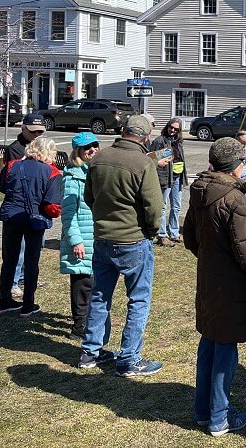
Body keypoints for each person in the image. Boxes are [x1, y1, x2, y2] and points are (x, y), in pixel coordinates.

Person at [185, 138, 246, 437]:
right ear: (235, 166)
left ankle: (202, 410)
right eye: (243, 161)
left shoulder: (200, 191)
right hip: (230, 283)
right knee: (224, 350)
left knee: (209, 342)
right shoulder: (233, 199)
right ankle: (219, 416)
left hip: (209, 278)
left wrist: (211, 260)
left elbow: (190, 237)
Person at [79, 115, 164, 377]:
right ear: (146, 137)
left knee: (99, 295)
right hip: (132, 240)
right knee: (138, 299)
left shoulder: (99, 158)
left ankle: (90, 352)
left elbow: (89, 197)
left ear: (123, 130)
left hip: (103, 238)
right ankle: (128, 358)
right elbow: (154, 206)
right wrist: (149, 232)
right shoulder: (143, 163)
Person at [0, 136, 62, 317]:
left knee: (9, 259)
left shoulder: (12, 165)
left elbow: (0, 185)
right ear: (49, 153)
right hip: (35, 219)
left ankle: (4, 300)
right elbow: (52, 206)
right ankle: (28, 304)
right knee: (32, 261)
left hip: (11, 216)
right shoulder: (52, 172)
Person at [59, 132, 102, 340]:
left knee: (94, 283)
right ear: (78, 152)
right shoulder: (72, 177)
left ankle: (90, 323)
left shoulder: (96, 171)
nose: (93, 150)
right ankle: (78, 328)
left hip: (96, 236)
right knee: (82, 284)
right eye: (88, 148)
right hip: (82, 238)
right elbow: (68, 215)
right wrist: (76, 241)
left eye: (95, 146)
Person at [4, 112, 47, 299]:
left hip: (37, 207)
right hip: (20, 208)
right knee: (18, 250)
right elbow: (8, 180)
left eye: (40, 131)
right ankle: (14, 283)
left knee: (35, 248)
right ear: (23, 129)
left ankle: (25, 279)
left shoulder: (40, 146)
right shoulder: (15, 149)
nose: (37, 135)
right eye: (33, 131)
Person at [150, 117, 188, 247]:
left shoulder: (178, 141)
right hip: (165, 178)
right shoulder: (159, 141)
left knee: (176, 206)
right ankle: (162, 235)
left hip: (177, 177)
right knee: (162, 206)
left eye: (176, 129)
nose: (172, 130)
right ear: (167, 126)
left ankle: (174, 233)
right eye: (171, 127)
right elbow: (150, 157)